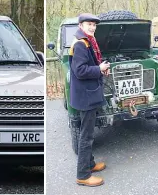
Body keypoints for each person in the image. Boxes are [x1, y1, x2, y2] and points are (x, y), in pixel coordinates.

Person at [69, 13, 111, 187]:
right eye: (89, 24)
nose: (92, 27)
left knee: (89, 133)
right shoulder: (81, 44)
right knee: (86, 137)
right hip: (86, 97)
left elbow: (89, 66)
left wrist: (101, 69)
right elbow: (80, 71)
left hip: (88, 94)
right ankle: (83, 175)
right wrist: (99, 69)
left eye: (94, 25)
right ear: (81, 25)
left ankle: (90, 164)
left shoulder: (87, 41)